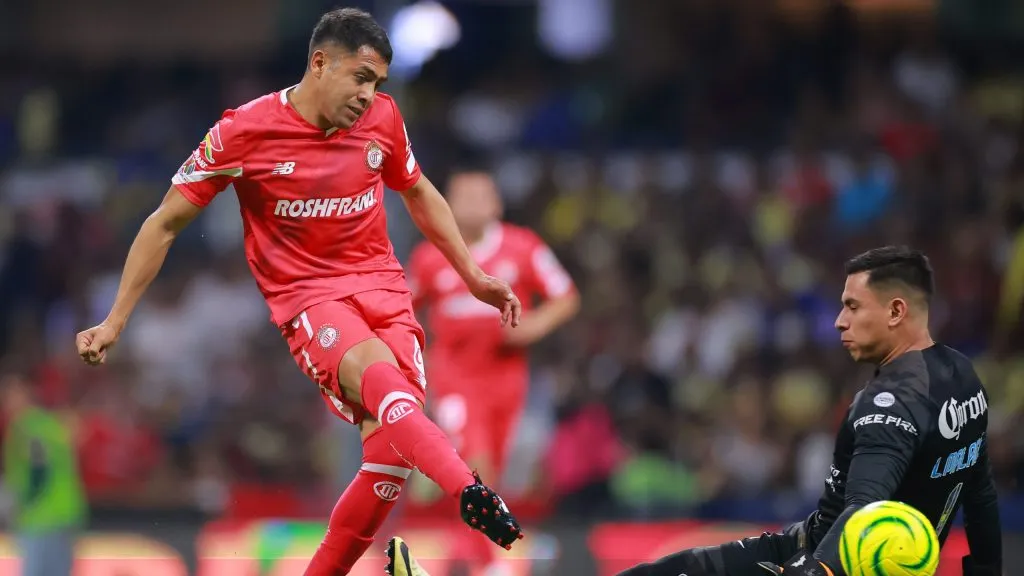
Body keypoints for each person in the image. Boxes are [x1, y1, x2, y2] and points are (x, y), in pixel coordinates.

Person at [73, 8, 523, 575]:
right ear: (320, 63)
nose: (369, 94)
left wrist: (473, 275)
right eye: (361, 78)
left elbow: (417, 190)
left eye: (377, 83)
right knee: (384, 385)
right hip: (310, 299)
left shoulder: (382, 118)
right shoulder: (244, 131)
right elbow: (164, 223)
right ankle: (469, 491)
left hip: (385, 290)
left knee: (391, 456)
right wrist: (115, 320)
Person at [617, 246, 1003, 576]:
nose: (840, 321)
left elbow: (863, 510)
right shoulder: (962, 376)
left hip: (826, 559)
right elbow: (980, 493)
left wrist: (813, 570)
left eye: (853, 307)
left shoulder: (887, 401)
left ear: (896, 311)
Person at [408, 168, 579, 574]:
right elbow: (403, 307)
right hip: (454, 378)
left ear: (497, 204)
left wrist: (534, 326)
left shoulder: (524, 248)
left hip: (507, 380)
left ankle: (472, 556)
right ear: (447, 204)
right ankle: (488, 565)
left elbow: (565, 296)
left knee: (489, 475)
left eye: (480, 196)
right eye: (463, 197)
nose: (472, 205)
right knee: (475, 464)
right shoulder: (431, 256)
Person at [1, 372, 87, 576]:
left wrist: (21, 502)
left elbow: (38, 466)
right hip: (67, 512)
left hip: (39, 517)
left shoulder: (24, 426)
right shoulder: (50, 423)